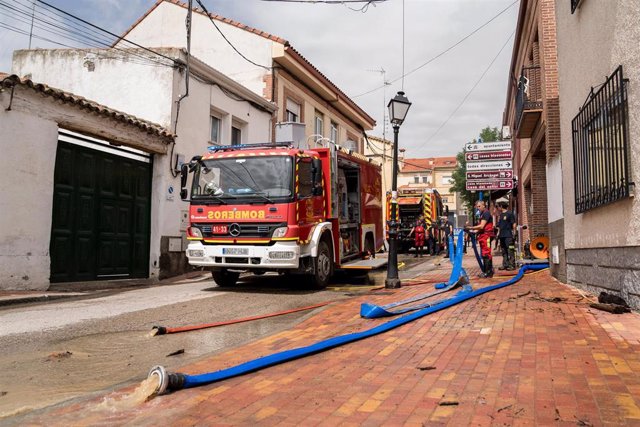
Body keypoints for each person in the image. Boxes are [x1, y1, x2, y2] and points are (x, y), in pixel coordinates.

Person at [465, 200, 495, 278]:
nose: (478, 208)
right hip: (483, 236)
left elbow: (481, 226)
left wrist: (470, 227)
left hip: (486, 236)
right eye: (477, 206)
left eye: (479, 206)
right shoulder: (482, 214)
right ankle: (486, 271)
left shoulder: (486, 213)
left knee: (486, 253)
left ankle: (488, 272)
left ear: (483, 205)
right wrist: (472, 231)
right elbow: (480, 228)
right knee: (484, 253)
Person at [496, 201, 517, 270]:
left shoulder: (509, 214)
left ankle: (512, 265)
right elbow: (499, 225)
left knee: (510, 250)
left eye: (498, 206)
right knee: (504, 250)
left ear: (501, 206)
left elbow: (514, 224)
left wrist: (514, 233)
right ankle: (505, 264)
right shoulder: (501, 215)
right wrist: (498, 233)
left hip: (508, 236)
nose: (498, 208)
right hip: (502, 236)